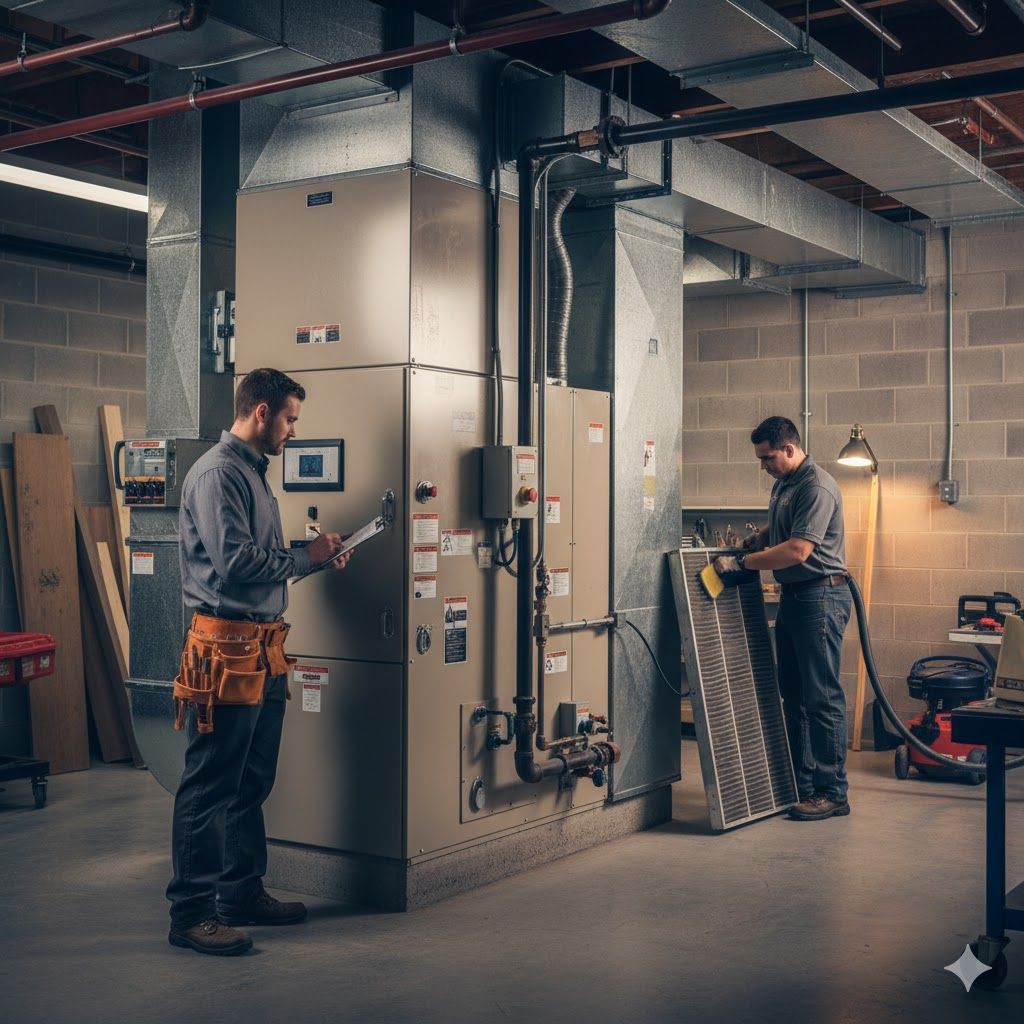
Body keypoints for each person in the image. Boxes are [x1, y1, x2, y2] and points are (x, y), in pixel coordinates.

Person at [166, 367, 350, 956]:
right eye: (291, 419)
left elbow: (260, 557)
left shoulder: (249, 473)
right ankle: (191, 914)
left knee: (250, 781)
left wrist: (312, 557)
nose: (294, 431)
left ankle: (239, 893)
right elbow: (237, 564)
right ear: (263, 412)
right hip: (225, 651)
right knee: (210, 784)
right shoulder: (221, 474)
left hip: (261, 650)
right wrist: (304, 556)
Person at [714, 416, 852, 822]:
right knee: (793, 694)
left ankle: (833, 792)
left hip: (821, 596)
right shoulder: (784, 485)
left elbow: (797, 551)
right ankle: (802, 785)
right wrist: (756, 541)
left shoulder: (816, 486)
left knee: (821, 697)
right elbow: (779, 533)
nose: (764, 465)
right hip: (797, 597)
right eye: (760, 459)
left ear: (789, 448)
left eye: (768, 457)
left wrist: (743, 561)